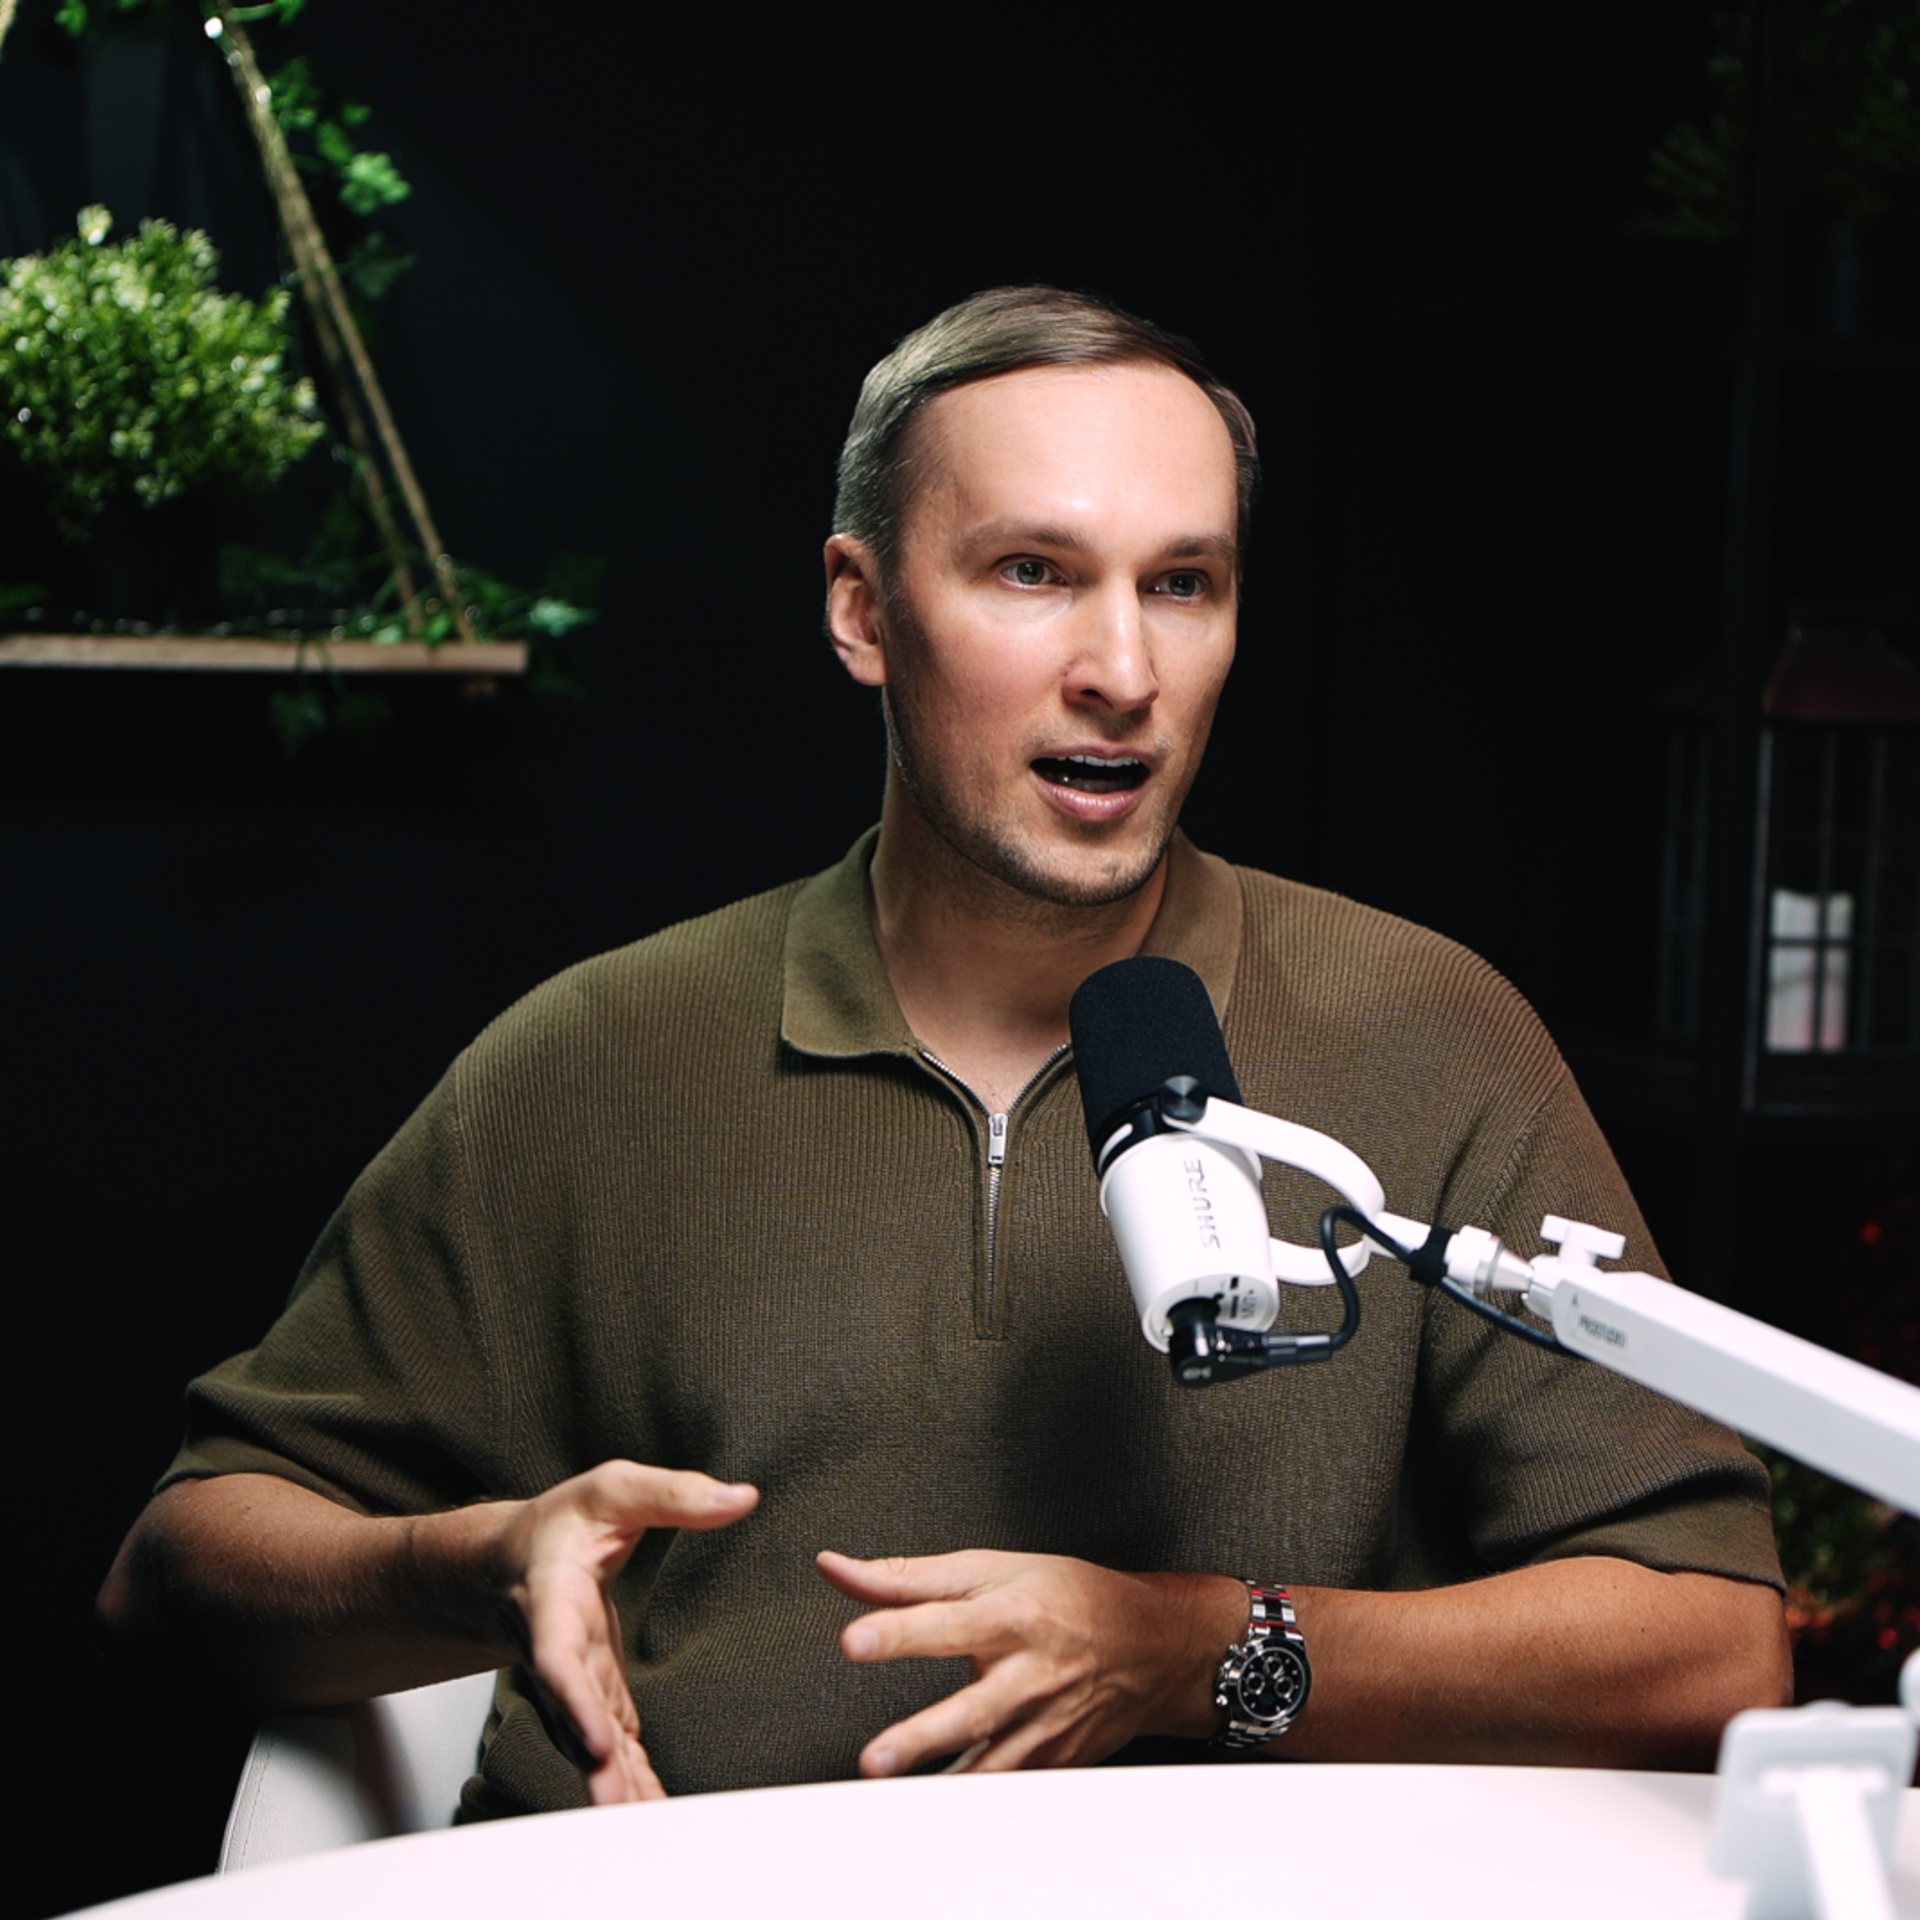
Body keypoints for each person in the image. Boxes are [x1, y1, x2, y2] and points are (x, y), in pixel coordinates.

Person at [99, 287, 1789, 1813]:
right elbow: (179, 1567)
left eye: (1182, 585)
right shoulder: (594, 1059)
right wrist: (481, 1565)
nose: (1122, 671)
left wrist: (1198, 1650)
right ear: (862, 610)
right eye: (1033, 573)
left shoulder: (1424, 1030)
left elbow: (1714, 1650)